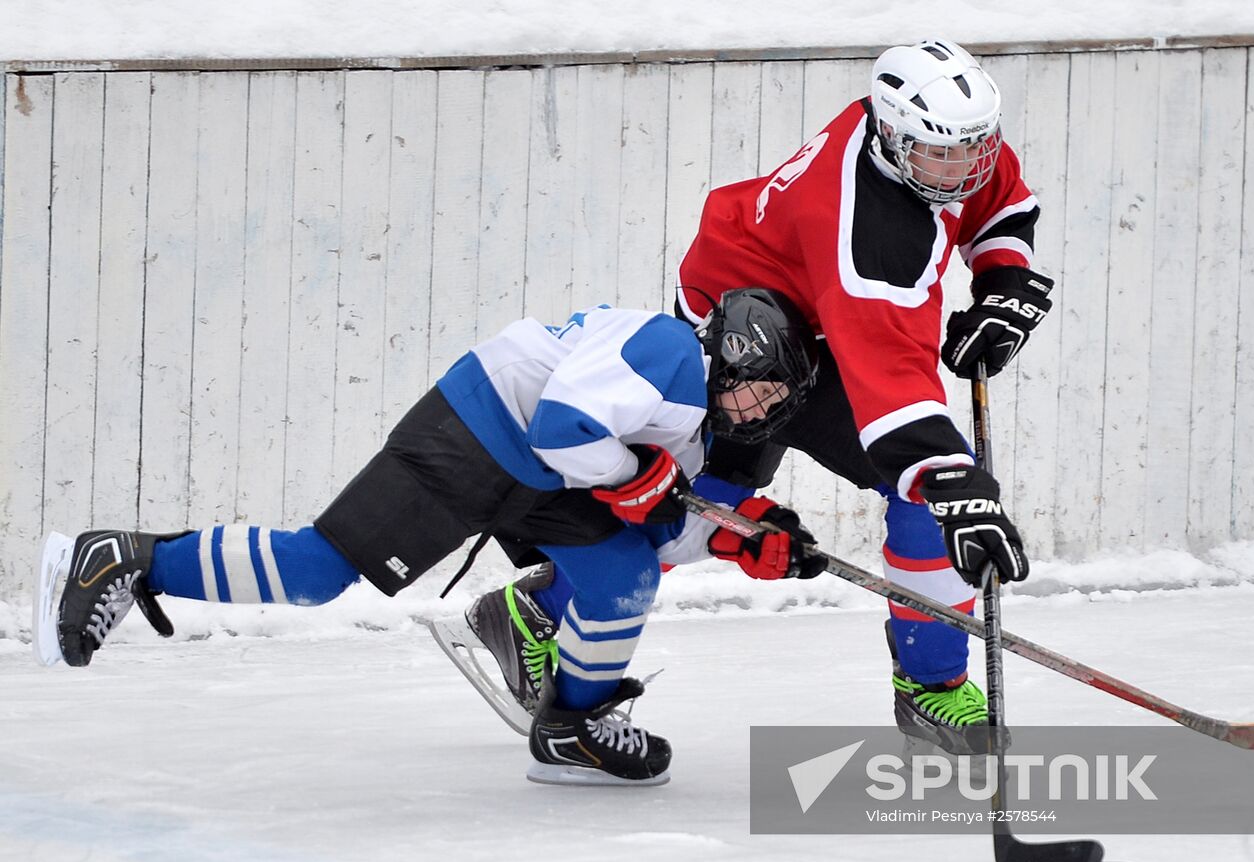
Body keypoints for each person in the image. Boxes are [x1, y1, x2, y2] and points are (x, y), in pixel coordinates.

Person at [464, 37, 1054, 757]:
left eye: (972, 149)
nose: (961, 169)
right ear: (892, 135)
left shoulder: (917, 137)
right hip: (747, 340)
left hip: (797, 313)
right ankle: (541, 609)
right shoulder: (870, 239)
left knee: (721, 495)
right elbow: (890, 385)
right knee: (729, 499)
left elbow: (997, 200)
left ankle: (932, 686)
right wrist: (952, 483)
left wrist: (1004, 282)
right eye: (944, 156)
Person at [34, 289, 826, 786]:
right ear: (731, 357)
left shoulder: (694, 431)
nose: (759, 411)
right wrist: (636, 480)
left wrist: (738, 540)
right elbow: (564, 428)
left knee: (625, 572)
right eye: (760, 390)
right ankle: (123, 558)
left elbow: (659, 527)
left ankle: (572, 726)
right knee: (315, 574)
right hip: (479, 433)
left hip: (547, 479)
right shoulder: (666, 349)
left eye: (773, 400)